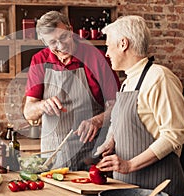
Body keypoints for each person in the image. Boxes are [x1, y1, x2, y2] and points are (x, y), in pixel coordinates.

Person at [95, 15, 184, 196]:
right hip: (126, 186)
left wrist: (129, 165)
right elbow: (118, 120)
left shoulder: (159, 78)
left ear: (123, 44)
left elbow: (174, 134)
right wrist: (110, 141)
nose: (107, 53)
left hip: (160, 188)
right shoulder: (128, 81)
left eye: (108, 46)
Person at [23, 11, 120, 171]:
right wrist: (42, 106)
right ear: (44, 42)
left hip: (92, 154)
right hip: (54, 154)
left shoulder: (96, 58)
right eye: (53, 42)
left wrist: (97, 121)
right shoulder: (39, 60)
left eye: (63, 37)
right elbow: (28, 112)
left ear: (70, 29)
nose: (60, 46)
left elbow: (117, 106)